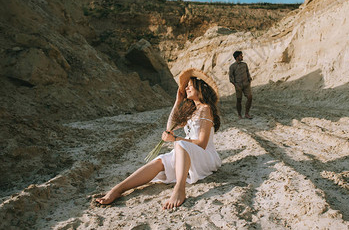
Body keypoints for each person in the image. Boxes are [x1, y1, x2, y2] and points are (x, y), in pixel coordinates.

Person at [95, 68, 221, 209]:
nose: (186, 88)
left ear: (200, 88)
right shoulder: (192, 110)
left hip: (204, 156)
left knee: (179, 145)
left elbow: (202, 144)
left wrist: (176, 139)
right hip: (186, 152)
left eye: (190, 85)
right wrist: (177, 101)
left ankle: (179, 189)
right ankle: (118, 189)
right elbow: (170, 127)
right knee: (161, 160)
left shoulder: (205, 108)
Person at [229, 51, 253, 119]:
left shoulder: (244, 64)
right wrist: (236, 85)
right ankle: (239, 115)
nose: (242, 57)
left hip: (246, 84)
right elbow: (231, 78)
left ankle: (247, 113)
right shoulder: (232, 67)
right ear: (237, 57)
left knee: (250, 97)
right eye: (241, 55)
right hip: (238, 86)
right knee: (239, 100)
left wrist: (249, 80)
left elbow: (247, 73)